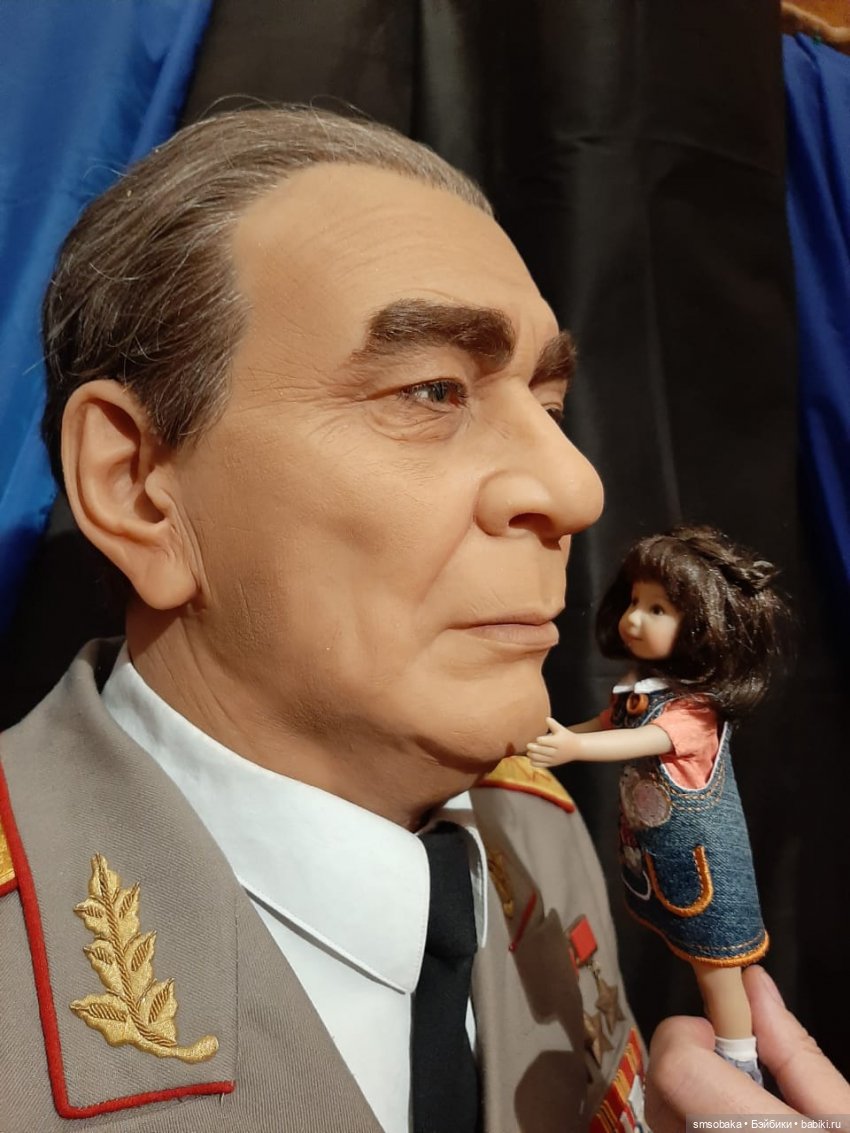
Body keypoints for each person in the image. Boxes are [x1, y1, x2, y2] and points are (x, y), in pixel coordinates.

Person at [0, 107, 846, 1131]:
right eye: (432, 390)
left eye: (548, 404)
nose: (575, 487)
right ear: (137, 485)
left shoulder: (536, 829)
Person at [527, 526, 790, 1086]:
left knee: (717, 967)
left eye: (657, 609)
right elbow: (609, 723)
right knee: (702, 963)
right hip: (663, 860)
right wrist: (559, 739)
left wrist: (573, 749)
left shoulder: (694, 711)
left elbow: (640, 739)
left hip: (705, 869)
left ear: (699, 627)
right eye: (634, 601)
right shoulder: (642, 689)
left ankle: (740, 1063)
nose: (634, 619)